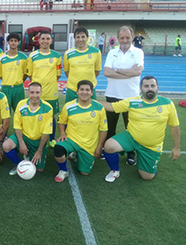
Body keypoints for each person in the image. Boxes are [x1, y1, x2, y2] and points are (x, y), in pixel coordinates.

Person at [100, 76, 180, 182]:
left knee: (147, 177)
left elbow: (174, 127)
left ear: (157, 88)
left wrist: (177, 147)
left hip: (151, 146)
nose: (149, 88)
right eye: (146, 86)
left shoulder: (167, 103)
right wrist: (90, 102)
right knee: (109, 146)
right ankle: (114, 171)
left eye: (152, 85)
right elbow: (111, 106)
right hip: (131, 137)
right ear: (141, 88)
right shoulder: (133, 101)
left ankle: (148, 162)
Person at [104, 26, 144, 165]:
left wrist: (116, 70)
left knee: (130, 127)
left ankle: (130, 153)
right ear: (118, 38)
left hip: (131, 97)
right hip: (112, 95)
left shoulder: (138, 52)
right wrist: (128, 72)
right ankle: (107, 150)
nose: (125, 40)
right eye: (122, 38)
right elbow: (107, 72)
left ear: (132, 37)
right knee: (110, 127)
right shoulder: (112, 52)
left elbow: (138, 72)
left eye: (127, 37)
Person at [54, 80, 108, 182]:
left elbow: (103, 129)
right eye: (81, 89)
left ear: (92, 93)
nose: (84, 92)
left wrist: (99, 146)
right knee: (58, 148)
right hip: (71, 140)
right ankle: (63, 170)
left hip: (89, 145)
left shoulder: (99, 107)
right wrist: (62, 133)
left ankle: (76, 154)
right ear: (77, 92)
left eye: (87, 90)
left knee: (85, 173)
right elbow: (61, 122)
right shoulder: (69, 106)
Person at [2, 82, 52, 175]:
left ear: (41, 93)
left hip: (37, 140)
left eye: (37, 92)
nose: (35, 95)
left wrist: (39, 151)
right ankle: (21, 165)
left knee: (39, 170)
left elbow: (46, 133)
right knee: (6, 146)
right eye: (32, 92)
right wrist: (21, 143)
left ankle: (33, 155)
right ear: (28, 93)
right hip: (24, 136)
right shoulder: (21, 104)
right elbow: (17, 127)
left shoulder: (48, 108)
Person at [26, 31, 62, 146]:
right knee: (35, 114)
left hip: (51, 92)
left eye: (48, 39)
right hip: (37, 93)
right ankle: (35, 136)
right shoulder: (32, 56)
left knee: (52, 116)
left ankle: (51, 139)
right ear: (39, 40)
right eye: (43, 39)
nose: (45, 41)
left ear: (51, 41)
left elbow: (58, 74)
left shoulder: (57, 56)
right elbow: (31, 74)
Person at [63, 27, 101, 103]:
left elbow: (97, 71)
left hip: (89, 90)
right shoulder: (68, 53)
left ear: (87, 38)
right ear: (74, 39)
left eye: (83, 37)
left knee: (90, 113)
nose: (80, 39)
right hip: (72, 89)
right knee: (70, 113)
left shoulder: (96, 52)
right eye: (78, 37)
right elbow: (67, 72)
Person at [0, 33, 27, 112]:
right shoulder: (2, 58)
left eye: (15, 41)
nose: (13, 42)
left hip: (18, 88)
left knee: (20, 112)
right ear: (8, 42)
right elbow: (0, 75)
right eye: (11, 41)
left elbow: (26, 73)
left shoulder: (23, 57)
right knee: (5, 113)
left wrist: (18, 81)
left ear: (18, 42)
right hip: (6, 88)